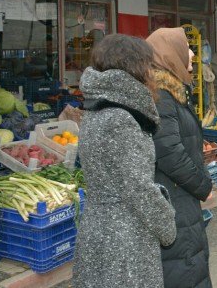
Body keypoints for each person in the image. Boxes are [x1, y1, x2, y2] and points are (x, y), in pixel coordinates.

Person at [73, 34, 177, 288]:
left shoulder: (97, 111)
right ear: (137, 68)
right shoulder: (121, 119)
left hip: (99, 231)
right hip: (124, 242)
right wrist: (167, 225)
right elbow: (139, 189)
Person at [146, 28, 214, 288]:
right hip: (175, 197)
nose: (193, 53)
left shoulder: (170, 91)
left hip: (180, 194)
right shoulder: (160, 95)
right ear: (169, 54)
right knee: (185, 267)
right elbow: (169, 153)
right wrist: (203, 185)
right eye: (186, 47)